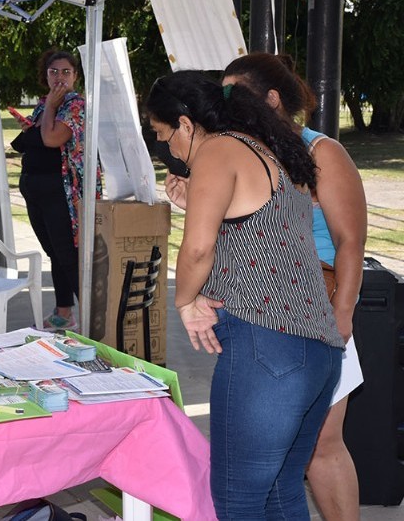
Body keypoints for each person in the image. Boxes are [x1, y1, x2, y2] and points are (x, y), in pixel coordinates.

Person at [147, 70, 344, 518]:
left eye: (164, 136)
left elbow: (198, 249)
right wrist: (192, 200)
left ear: (184, 123)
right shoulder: (263, 148)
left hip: (268, 348)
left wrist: (185, 301)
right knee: (281, 492)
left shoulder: (217, 150)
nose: (168, 150)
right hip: (317, 353)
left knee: (238, 500)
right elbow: (255, 233)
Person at [223, 52, 367, 521]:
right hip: (263, 319)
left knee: (321, 444)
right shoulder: (244, 154)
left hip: (320, 308)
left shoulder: (321, 151)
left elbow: (351, 242)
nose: (228, 104)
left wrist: (342, 316)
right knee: (279, 451)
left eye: (236, 93)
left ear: (271, 98)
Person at [10, 49, 101, 331]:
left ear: (75, 76)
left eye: (66, 72)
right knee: (53, 252)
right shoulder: (43, 104)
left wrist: (50, 107)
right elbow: (28, 139)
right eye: (53, 72)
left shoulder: (75, 106)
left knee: (68, 254)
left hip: (60, 192)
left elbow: (50, 138)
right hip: (36, 188)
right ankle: (64, 312)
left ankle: (92, 319)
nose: (59, 77)